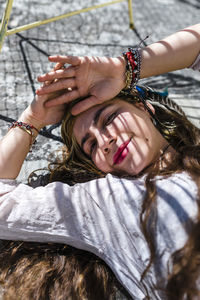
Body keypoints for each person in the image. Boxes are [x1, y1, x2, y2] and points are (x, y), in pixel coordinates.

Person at [0, 23, 199, 300]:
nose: (105, 141)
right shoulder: (103, 202)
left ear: (145, 107)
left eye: (109, 118)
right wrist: (32, 120)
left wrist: (124, 69)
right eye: (91, 144)